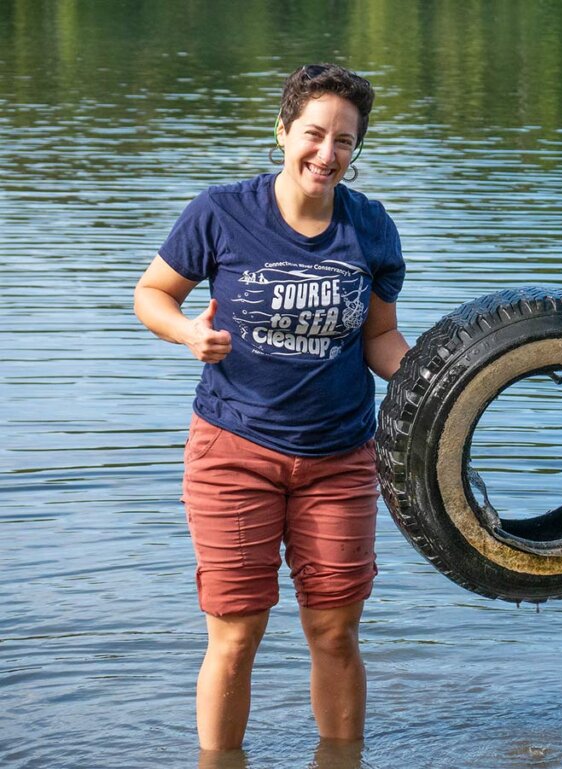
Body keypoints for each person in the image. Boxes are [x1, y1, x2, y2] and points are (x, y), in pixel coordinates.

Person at [134, 63, 410, 751]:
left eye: (344, 140)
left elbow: (380, 338)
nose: (326, 153)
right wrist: (189, 331)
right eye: (313, 134)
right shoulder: (222, 212)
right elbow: (152, 295)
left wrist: (444, 384)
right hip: (233, 451)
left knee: (335, 630)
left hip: (340, 458)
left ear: (357, 149)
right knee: (235, 631)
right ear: (283, 131)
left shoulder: (371, 228)